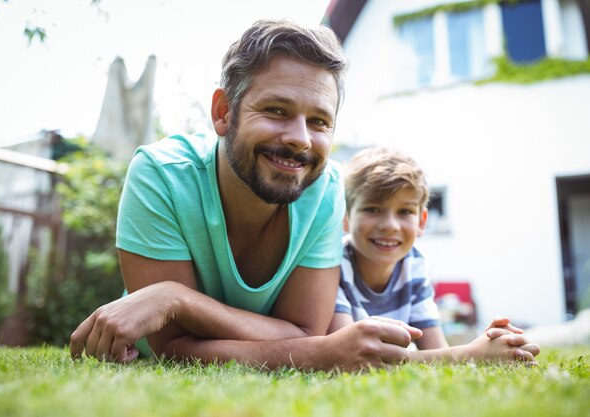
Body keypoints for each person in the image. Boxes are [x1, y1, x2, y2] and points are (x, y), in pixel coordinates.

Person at [69, 19, 531, 371]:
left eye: (319, 121)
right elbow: (175, 348)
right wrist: (318, 352)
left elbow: (305, 330)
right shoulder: (160, 176)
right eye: (276, 111)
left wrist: (178, 299)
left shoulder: (325, 189)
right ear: (224, 112)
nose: (300, 139)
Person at [328, 146, 541, 363]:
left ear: (421, 222)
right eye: (372, 209)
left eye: (405, 212)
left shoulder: (415, 263)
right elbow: (352, 354)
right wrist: (472, 354)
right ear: (345, 217)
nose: (390, 226)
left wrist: (488, 343)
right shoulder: (333, 264)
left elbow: (438, 350)